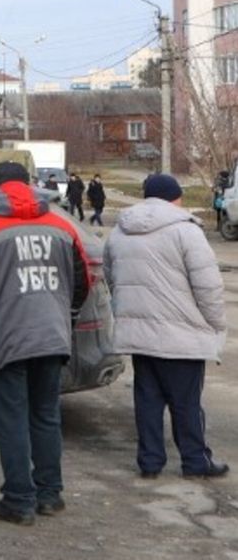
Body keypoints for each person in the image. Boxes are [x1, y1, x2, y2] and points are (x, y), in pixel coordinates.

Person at [0, 161, 90, 524]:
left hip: (4, 341)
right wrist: (61, 316)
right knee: (45, 416)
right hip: (51, 338)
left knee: (11, 422)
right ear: (30, 185)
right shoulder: (60, 226)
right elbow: (82, 282)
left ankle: (19, 500)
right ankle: (50, 494)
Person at [105, 174, 228, 479]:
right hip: (181, 336)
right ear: (175, 198)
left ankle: (149, 462)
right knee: (186, 403)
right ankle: (195, 461)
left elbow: (112, 278)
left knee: (147, 400)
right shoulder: (185, 231)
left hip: (138, 335)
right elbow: (208, 286)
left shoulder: (119, 231)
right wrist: (215, 324)